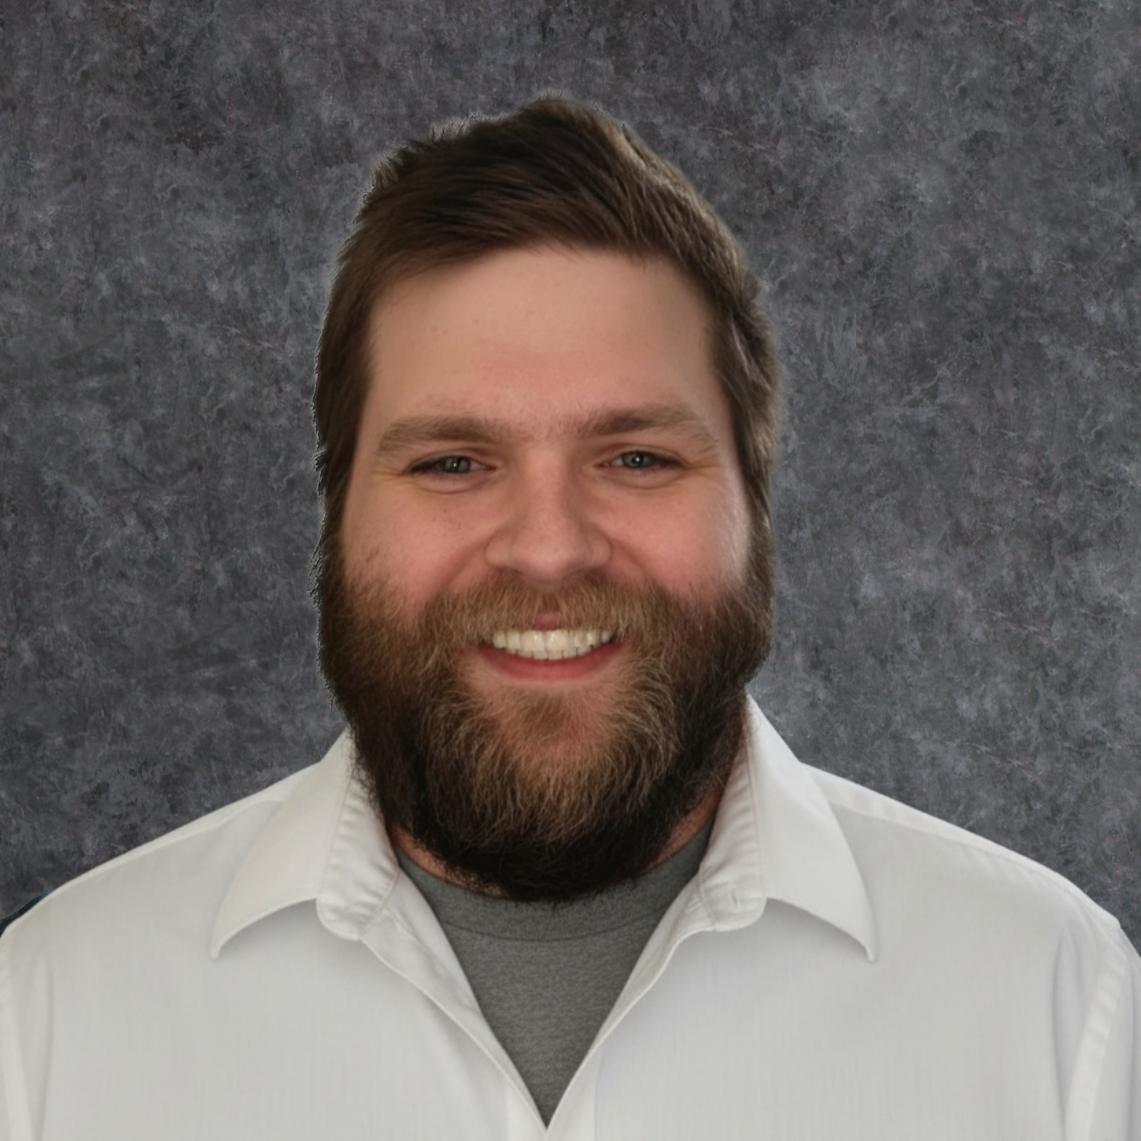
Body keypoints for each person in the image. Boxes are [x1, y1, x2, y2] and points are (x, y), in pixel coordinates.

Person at [1, 95, 1137, 1141]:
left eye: (637, 457)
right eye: (452, 462)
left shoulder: (1053, 1007)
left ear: (755, 504)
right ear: (336, 509)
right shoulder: (53, 1019)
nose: (548, 547)